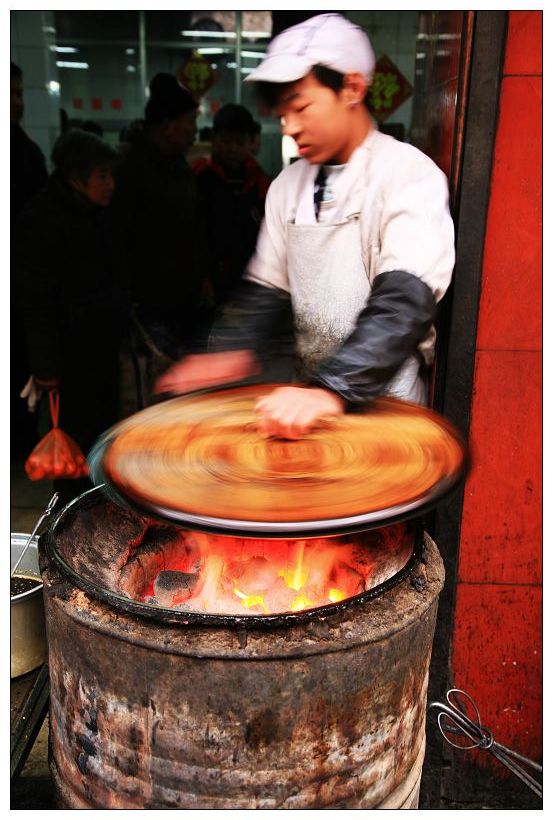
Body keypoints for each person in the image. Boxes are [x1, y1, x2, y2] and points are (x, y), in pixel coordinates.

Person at [156, 13, 455, 441]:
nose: (290, 126)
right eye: (283, 113)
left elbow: (404, 303)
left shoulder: (408, 175)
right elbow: (266, 287)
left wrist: (330, 389)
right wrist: (227, 350)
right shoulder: (286, 187)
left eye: (301, 107)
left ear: (352, 88)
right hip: (307, 409)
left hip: (390, 416)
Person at [16, 129, 126, 503]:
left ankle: (101, 509)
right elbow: (36, 300)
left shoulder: (98, 214)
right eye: (102, 176)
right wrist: (45, 367)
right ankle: (69, 520)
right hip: (68, 357)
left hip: (101, 348)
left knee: (102, 437)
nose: (110, 184)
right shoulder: (43, 219)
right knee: (74, 448)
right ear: (76, 179)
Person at [110, 73, 210, 403]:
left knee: (186, 387)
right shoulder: (128, 167)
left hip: (184, 297)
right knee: (157, 391)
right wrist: (127, 300)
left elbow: (192, 227)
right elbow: (116, 238)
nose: (194, 129)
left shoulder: (178, 165)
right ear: (166, 125)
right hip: (148, 304)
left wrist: (202, 276)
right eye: (189, 121)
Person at [193, 104, 271, 304]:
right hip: (210, 285)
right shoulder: (199, 178)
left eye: (239, 142)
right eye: (226, 141)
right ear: (214, 139)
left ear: (250, 143)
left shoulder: (260, 181)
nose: (232, 149)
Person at [11, 62, 49, 457]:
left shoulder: (25, 153)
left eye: (19, 93)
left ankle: (19, 445)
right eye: (13, 94)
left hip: (20, 287)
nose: (19, 103)